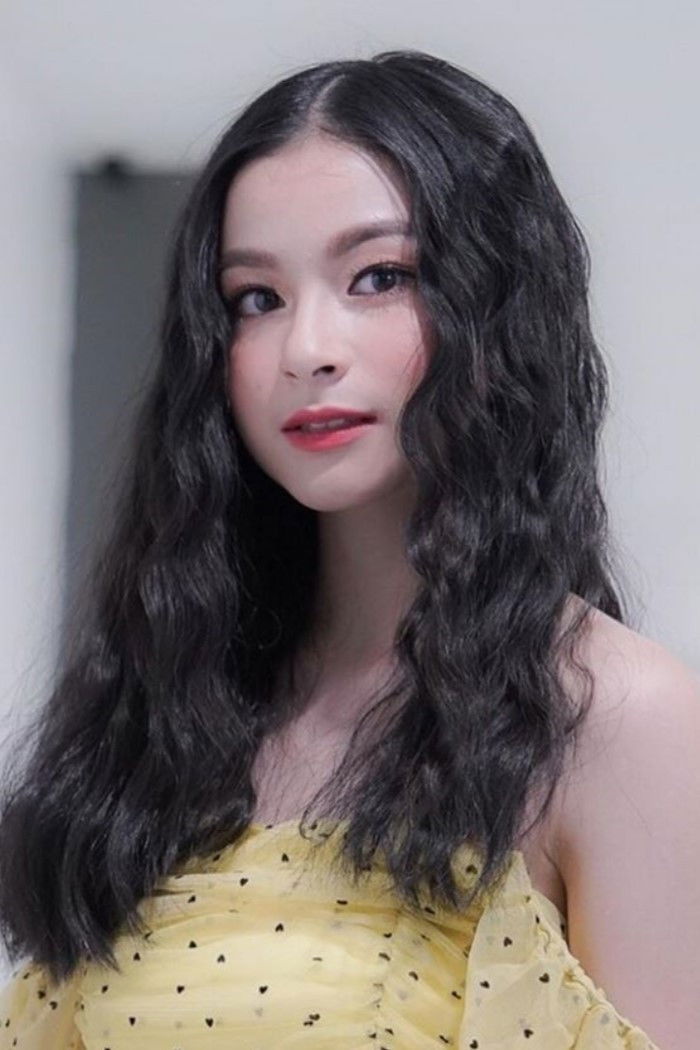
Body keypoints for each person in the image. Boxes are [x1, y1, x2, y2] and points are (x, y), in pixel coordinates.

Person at [0, 48, 696, 1050]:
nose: (306, 350)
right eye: (255, 298)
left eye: (379, 278)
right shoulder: (166, 720)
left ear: (495, 307)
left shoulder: (615, 715)